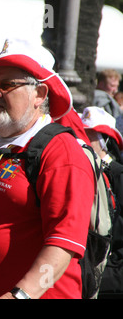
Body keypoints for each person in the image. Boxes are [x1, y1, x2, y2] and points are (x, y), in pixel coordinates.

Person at [0, 38, 94, 299]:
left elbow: (64, 244)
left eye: (6, 85)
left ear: (40, 94)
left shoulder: (61, 152)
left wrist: (22, 295)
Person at [80, 106, 123, 298]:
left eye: (90, 135)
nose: (82, 140)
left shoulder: (119, 176)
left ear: (105, 140)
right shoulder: (82, 171)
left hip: (112, 275)